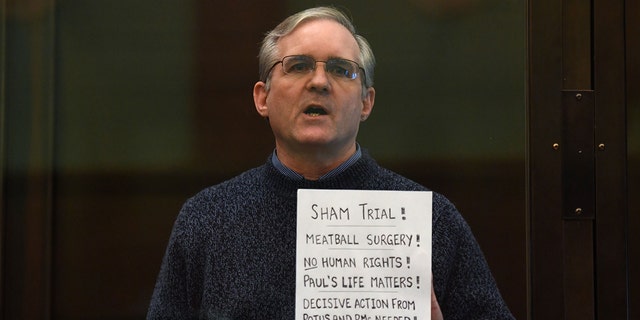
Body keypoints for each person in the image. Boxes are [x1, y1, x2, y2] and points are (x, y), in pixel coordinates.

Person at [147, 6, 514, 320]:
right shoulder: (207, 218)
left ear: (367, 102)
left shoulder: (433, 220)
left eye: (341, 69)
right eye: (298, 66)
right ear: (263, 98)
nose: (320, 81)